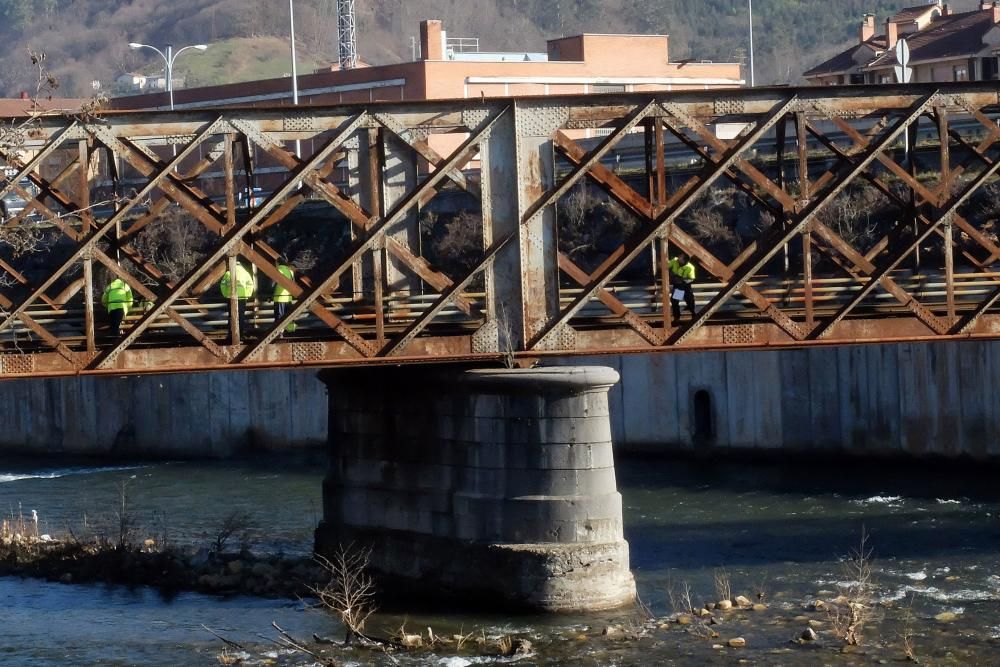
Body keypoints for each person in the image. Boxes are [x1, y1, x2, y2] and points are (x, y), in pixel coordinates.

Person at [220, 261, 256, 341]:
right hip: (242, 298)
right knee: (241, 317)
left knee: (231, 317)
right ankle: (240, 334)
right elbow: (250, 285)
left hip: (231, 298)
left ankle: (231, 335)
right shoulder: (245, 273)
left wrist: (226, 295)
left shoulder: (228, 273)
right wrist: (247, 295)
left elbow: (222, 285)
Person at [668, 251, 696, 320]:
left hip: (684, 285)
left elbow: (691, 278)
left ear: (684, 260)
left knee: (689, 300)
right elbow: (667, 266)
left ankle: (693, 314)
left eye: (681, 257)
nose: (679, 257)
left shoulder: (690, 267)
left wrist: (682, 281)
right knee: (675, 301)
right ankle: (677, 317)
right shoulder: (675, 261)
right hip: (678, 285)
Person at [272, 260, 297, 335]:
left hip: (279, 298)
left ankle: (279, 333)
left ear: (278, 263)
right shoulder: (290, 272)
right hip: (288, 298)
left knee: (279, 317)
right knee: (288, 316)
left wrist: (270, 295)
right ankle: (290, 331)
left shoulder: (277, 270)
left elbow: (272, 284)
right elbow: (293, 284)